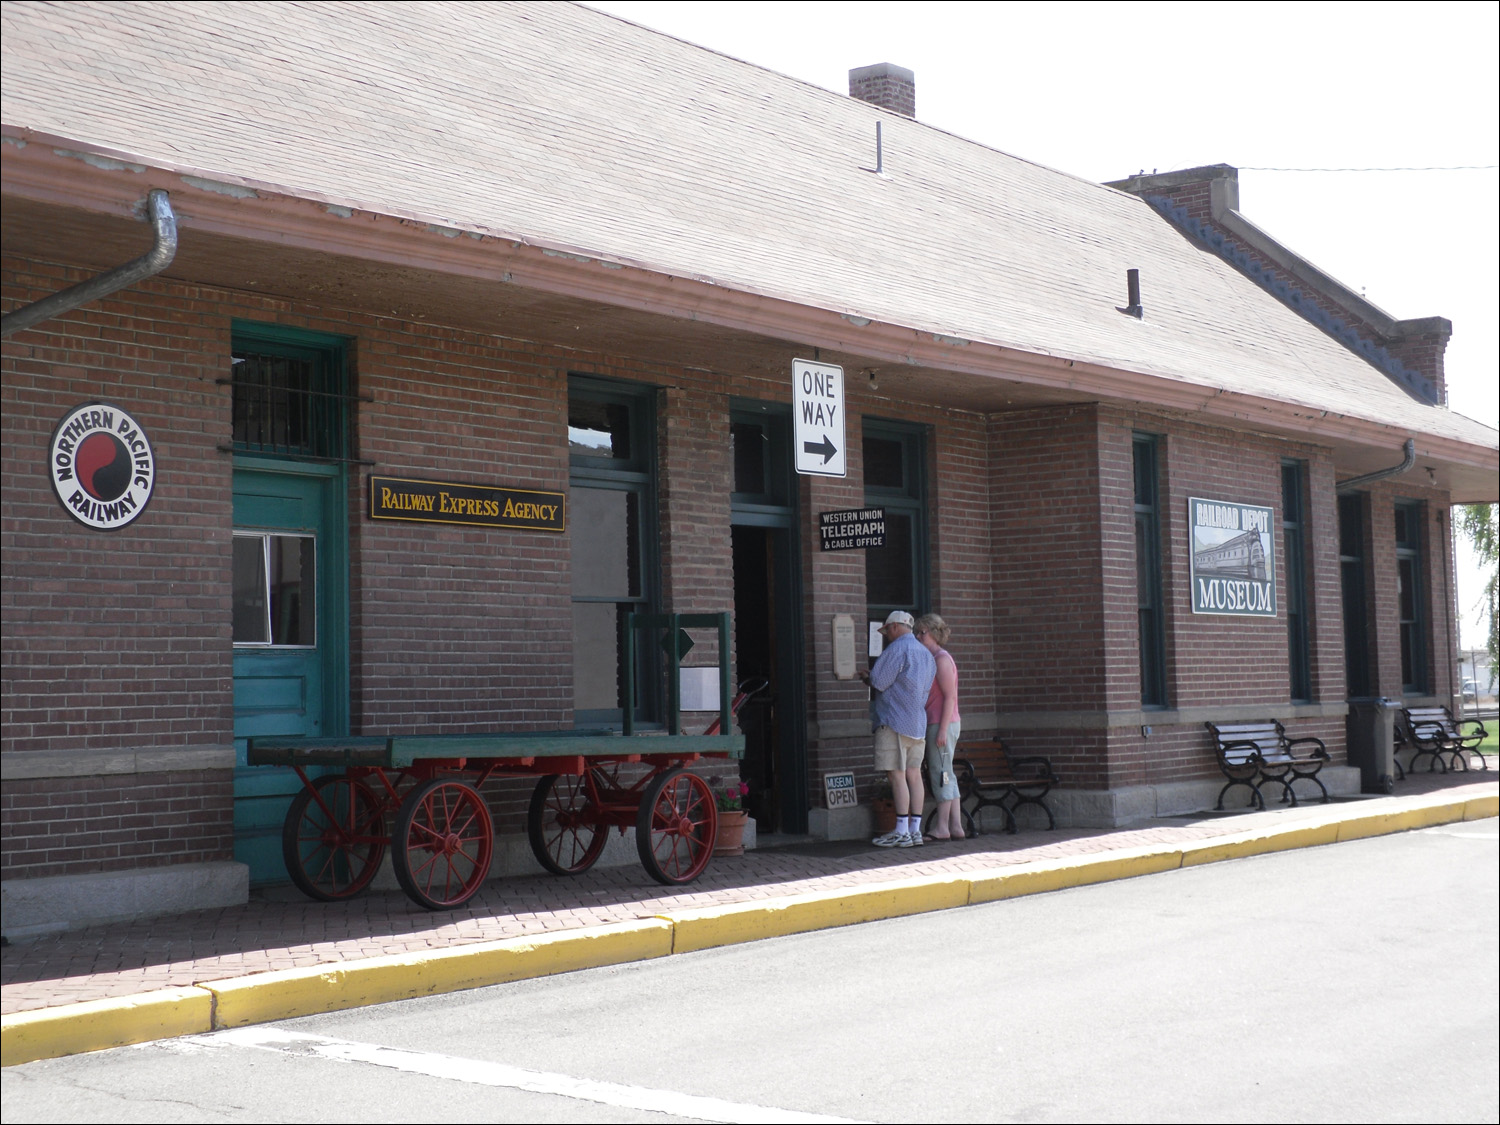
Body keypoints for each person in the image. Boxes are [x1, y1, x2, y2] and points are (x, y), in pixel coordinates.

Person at [859, 610, 936, 848]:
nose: (887, 636)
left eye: (887, 631)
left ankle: (901, 831)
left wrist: (867, 678)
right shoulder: (926, 653)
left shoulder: (896, 650)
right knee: (915, 775)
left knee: (896, 774)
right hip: (918, 722)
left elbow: (880, 682)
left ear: (894, 627)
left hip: (893, 721)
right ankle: (915, 830)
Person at [914, 613, 963, 841]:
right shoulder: (933, 658)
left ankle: (942, 827)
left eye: (922, 632)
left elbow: (949, 698)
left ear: (933, 633)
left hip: (941, 722)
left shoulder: (941, 659)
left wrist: (942, 729)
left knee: (941, 773)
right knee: (948, 773)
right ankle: (956, 826)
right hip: (940, 722)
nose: (918, 636)